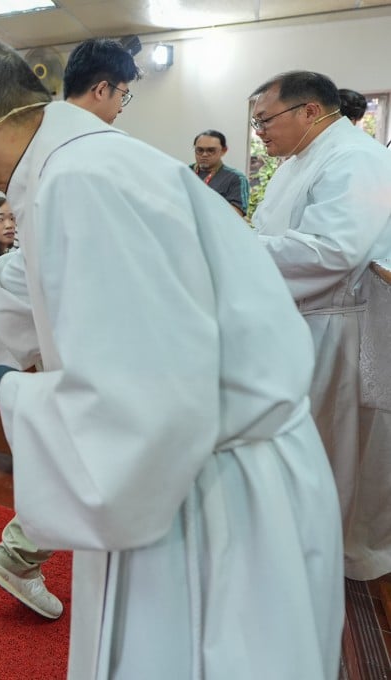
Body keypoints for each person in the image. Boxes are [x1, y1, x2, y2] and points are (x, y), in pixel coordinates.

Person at [0, 36, 342, 679]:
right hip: (189, 469)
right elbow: (9, 293)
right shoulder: (64, 170)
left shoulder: (82, 181)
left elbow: (135, 403)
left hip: (205, 497)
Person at [0, 36, 140, 620]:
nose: (122, 107)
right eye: (122, 95)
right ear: (102, 88)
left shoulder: (66, 152)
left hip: (86, 331)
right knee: (100, 449)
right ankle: (23, 550)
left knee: (93, 450)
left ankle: (22, 549)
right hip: (106, 335)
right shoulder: (88, 158)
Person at [251, 70, 391, 581]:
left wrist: (235, 247)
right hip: (301, 319)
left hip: (337, 328)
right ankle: (295, 548)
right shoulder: (302, 159)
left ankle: (321, 562)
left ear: (310, 111)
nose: (260, 132)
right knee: (300, 448)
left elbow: (334, 250)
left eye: (266, 120)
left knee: (331, 449)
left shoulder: (356, 158)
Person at [189, 130, 250, 215]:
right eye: (199, 150)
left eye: (211, 150)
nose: (204, 155)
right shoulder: (185, 172)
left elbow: (236, 214)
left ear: (223, 150)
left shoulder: (236, 178)